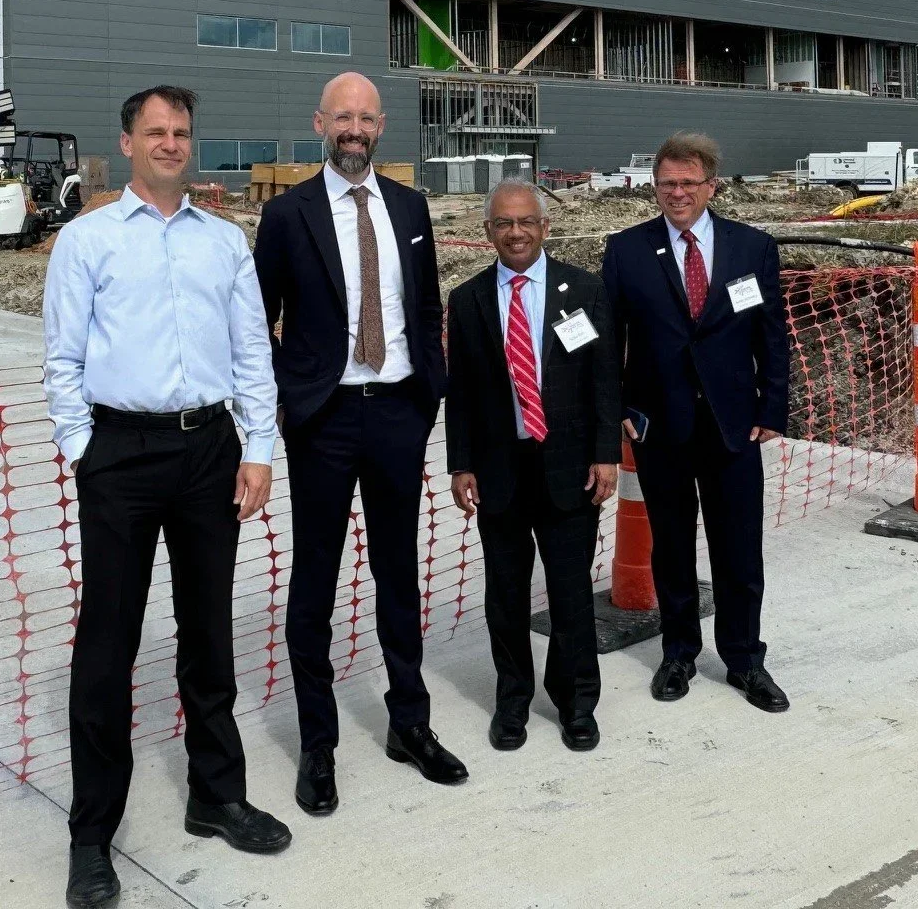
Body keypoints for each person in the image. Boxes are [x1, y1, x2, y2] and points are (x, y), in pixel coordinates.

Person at [44, 86, 291, 909]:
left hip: (208, 449)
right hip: (121, 452)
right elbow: (62, 363)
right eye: (157, 132)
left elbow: (254, 350)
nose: (172, 144)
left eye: (182, 132)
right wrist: (87, 452)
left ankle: (215, 796)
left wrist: (258, 448)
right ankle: (92, 834)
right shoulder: (86, 242)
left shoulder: (225, 242)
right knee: (107, 643)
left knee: (208, 629)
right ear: (127, 143)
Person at [253, 71, 466, 817]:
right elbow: (260, 323)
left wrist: (429, 389)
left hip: (399, 414)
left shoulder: (410, 207)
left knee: (397, 573)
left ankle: (410, 724)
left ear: (381, 127)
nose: (353, 129)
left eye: (365, 118)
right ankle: (318, 745)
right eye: (341, 117)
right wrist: (289, 401)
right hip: (326, 418)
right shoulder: (287, 214)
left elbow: (426, 305)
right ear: (320, 123)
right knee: (314, 581)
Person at [600, 131, 791, 714]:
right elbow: (610, 343)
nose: (677, 193)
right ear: (653, 187)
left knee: (739, 549)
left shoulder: (751, 247)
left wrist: (772, 407)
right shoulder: (627, 250)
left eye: (688, 183)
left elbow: (772, 335)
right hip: (660, 428)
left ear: (712, 185)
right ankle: (679, 651)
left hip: (734, 427)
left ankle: (744, 660)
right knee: (673, 550)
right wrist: (618, 413)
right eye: (666, 184)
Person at [445, 178, 621, 752]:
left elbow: (603, 381)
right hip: (500, 472)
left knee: (571, 593)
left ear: (544, 227)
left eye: (525, 222)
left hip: (570, 467)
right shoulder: (468, 301)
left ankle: (576, 703)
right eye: (503, 224)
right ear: (489, 231)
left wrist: (605, 455)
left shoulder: (585, 290)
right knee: (507, 595)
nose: (515, 233)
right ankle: (513, 700)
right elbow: (463, 391)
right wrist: (462, 463)